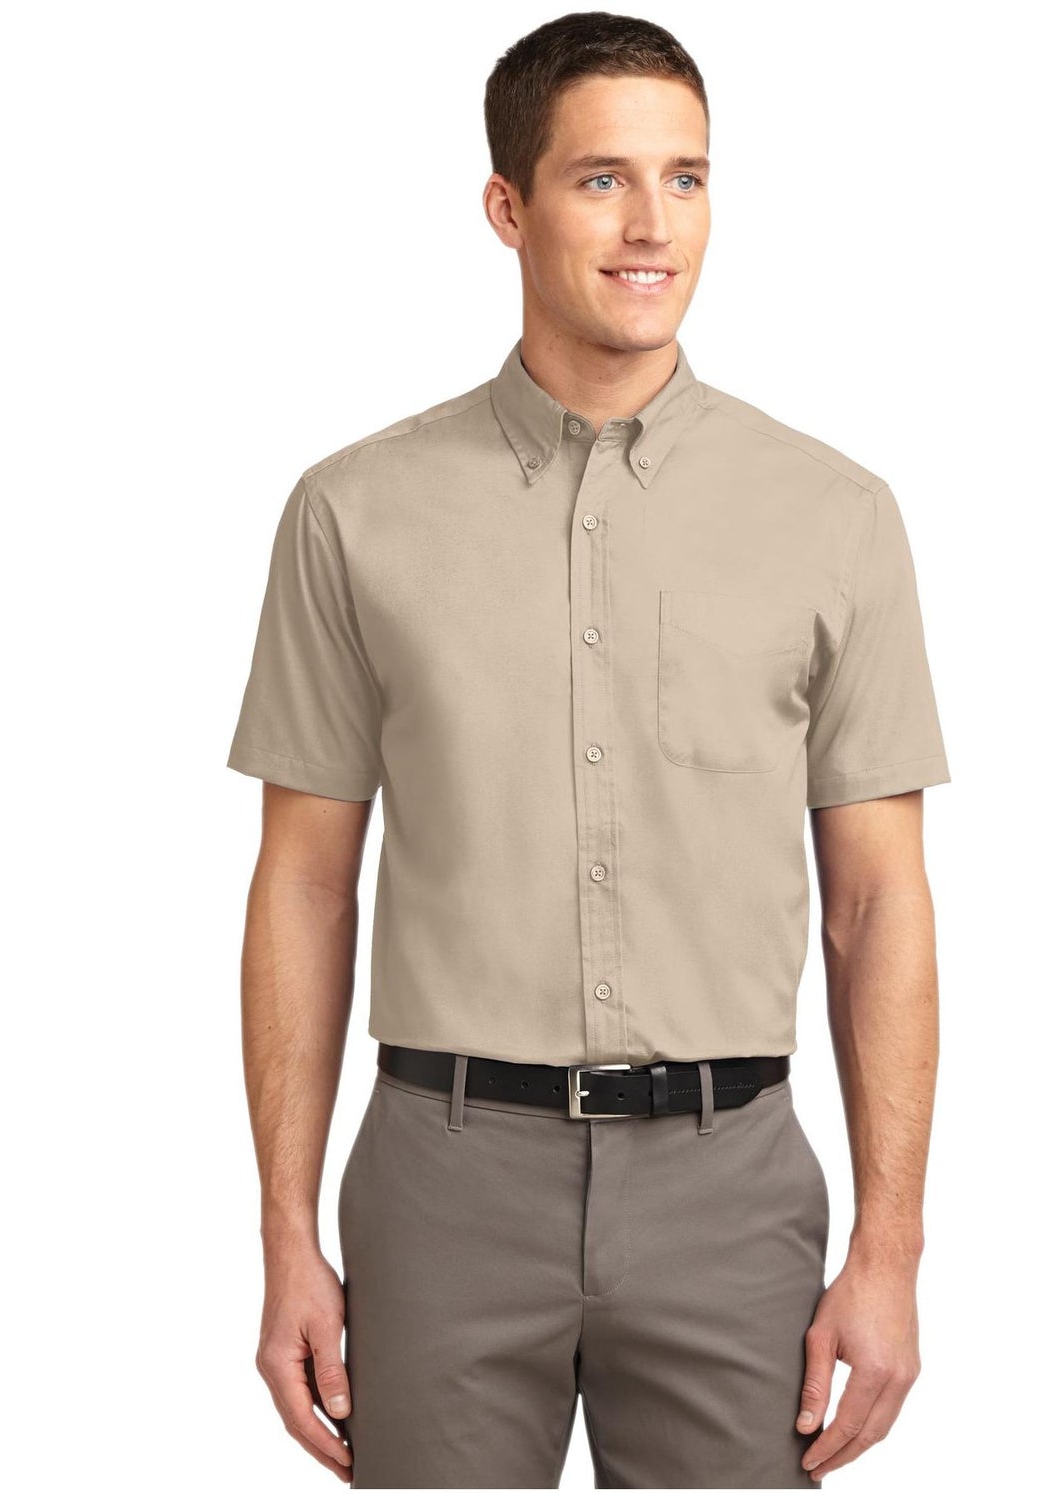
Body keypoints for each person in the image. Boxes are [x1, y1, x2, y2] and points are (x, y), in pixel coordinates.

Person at [227, 12, 950, 1488]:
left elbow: (879, 903)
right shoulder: (352, 512)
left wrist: (891, 1249)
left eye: (687, 178)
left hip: (730, 1189)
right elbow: (302, 884)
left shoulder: (835, 516)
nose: (652, 226)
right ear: (508, 206)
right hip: (441, 1182)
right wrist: (285, 1234)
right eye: (602, 178)